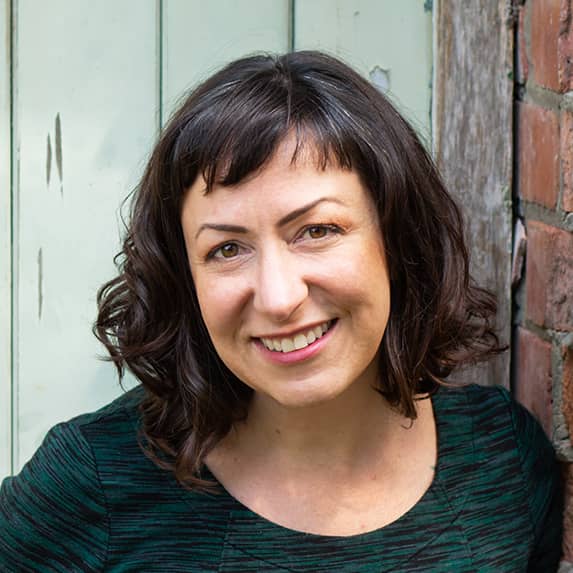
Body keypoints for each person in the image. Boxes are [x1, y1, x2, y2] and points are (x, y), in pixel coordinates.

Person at [0, 51, 563, 572]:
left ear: (397, 240)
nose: (278, 296)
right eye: (226, 249)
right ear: (183, 279)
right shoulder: (93, 484)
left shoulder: (504, 466)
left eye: (317, 230)